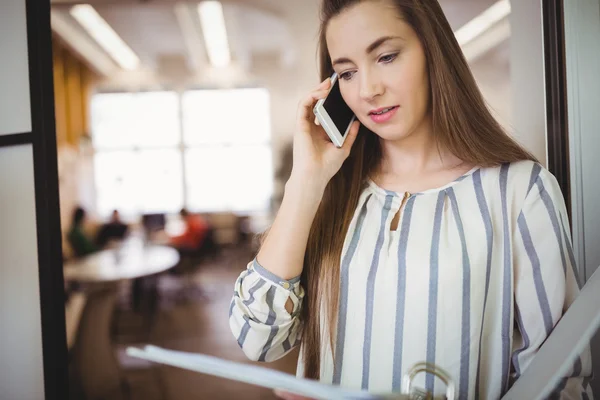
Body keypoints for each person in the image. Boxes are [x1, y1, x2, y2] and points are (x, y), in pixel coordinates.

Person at [229, 0, 593, 399]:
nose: (368, 90)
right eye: (347, 73)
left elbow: (561, 384)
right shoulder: (327, 192)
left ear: (432, 51)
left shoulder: (519, 192)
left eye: (386, 57)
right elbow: (257, 339)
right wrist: (306, 180)